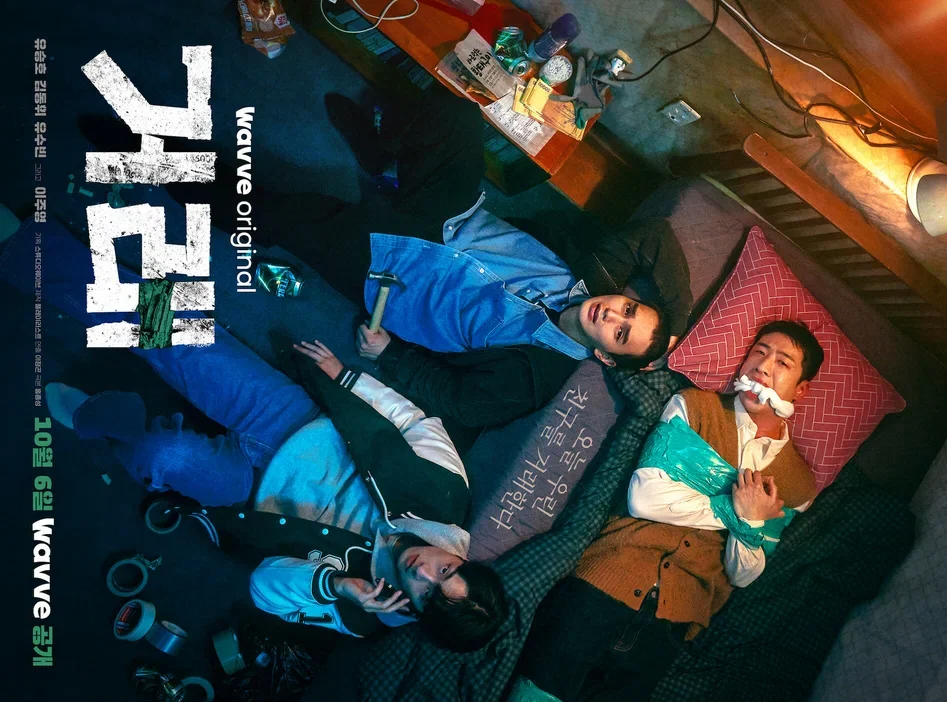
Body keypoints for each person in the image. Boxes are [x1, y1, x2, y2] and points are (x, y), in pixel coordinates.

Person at [8, 219, 506, 652]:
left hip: (250, 495)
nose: (422, 572)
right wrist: (345, 377)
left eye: (427, 593)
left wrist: (336, 585)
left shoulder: (365, 615)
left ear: (416, 612)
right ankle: (33, 251)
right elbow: (413, 421)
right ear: (460, 558)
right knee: (175, 329)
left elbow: (264, 590)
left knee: (162, 454)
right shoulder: (448, 493)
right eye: (445, 571)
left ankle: (112, 421)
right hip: (292, 422)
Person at [147, 87, 694, 448]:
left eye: (619, 332)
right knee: (458, 116)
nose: (611, 314)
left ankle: (161, 163)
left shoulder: (534, 377)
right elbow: (656, 236)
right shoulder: (596, 276)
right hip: (449, 217)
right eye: (629, 309)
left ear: (604, 355)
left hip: (392, 276)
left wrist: (391, 354)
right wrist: (675, 325)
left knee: (279, 214)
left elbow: (462, 404)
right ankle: (384, 154)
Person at [520, 320, 824, 700]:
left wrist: (740, 517)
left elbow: (743, 574)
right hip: (607, 577)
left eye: (782, 362)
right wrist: (740, 513)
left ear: (801, 389)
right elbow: (645, 497)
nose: (762, 367)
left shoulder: (797, 486)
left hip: (674, 620)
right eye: (759, 352)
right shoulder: (695, 407)